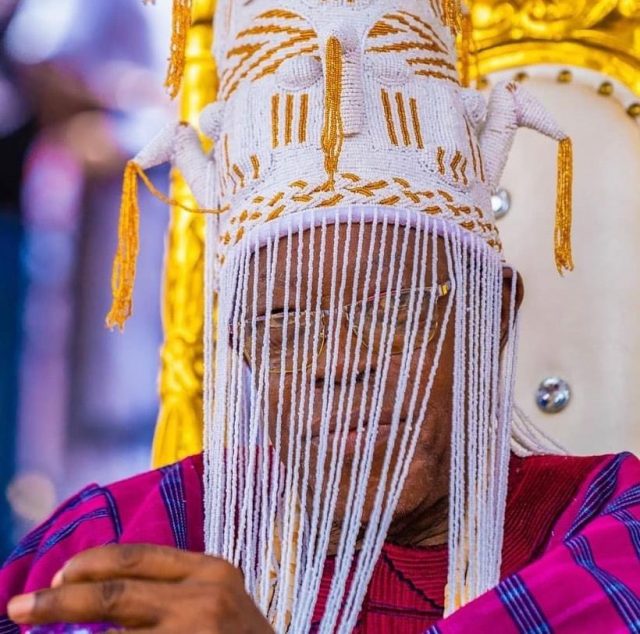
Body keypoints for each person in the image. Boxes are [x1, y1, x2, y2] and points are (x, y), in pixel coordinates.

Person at [2, 1, 639, 632]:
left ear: (493, 314)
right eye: (281, 325)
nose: (338, 365)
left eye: (394, 308)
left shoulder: (611, 531)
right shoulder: (135, 536)